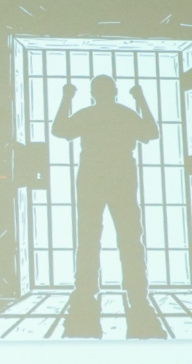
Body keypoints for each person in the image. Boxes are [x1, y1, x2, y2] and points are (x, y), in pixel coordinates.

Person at [52, 75, 166, 339]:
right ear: (115, 91)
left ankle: (86, 291)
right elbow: (151, 132)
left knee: (89, 238)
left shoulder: (88, 114)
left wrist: (67, 97)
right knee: (130, 238)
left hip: (91, 178)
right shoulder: (124, 114)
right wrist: (140, 98)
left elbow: (59, 130)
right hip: (121, 178)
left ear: (93, 93)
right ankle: (136, 294)